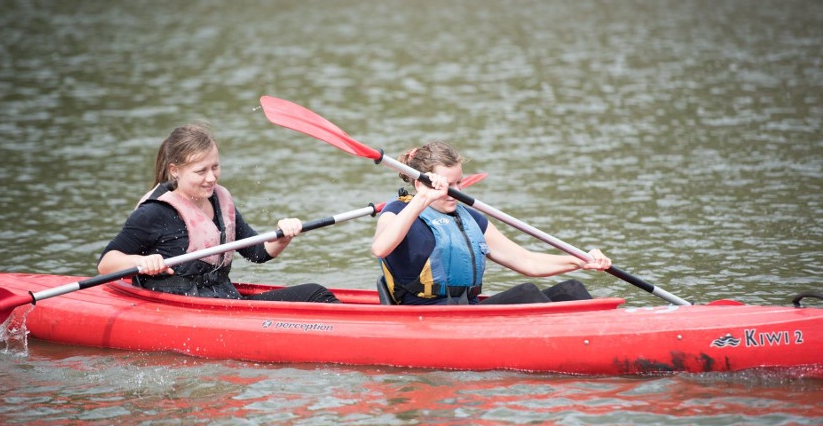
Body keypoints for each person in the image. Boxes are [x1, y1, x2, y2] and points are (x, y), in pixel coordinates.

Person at [98, 122, 339, 303]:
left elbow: (257, 253)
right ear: (175, 171)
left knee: (315, 294)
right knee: (315, 294)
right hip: (181, 311)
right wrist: (141, 261)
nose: (211, 177)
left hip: (225, 304)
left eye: (215, 167)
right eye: (201, 171)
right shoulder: (154, 213)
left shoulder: (221, 201)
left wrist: (283, 235)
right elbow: (106, 264)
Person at [370, 141, 612, 305]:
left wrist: (579, 260)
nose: (457, 192)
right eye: (448, 185)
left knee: (571, 289)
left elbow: (527, 261)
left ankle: (603, 336)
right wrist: (422, 199)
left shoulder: (470, 218)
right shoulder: (399, 210)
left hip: (468, 311)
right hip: (427, 318)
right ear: (421, 184)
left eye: (459, 183)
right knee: (526, 293)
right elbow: (380, 248)